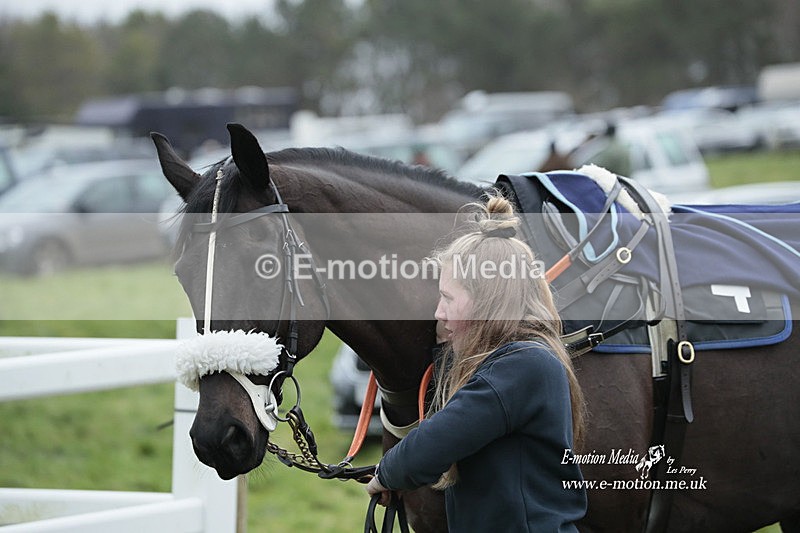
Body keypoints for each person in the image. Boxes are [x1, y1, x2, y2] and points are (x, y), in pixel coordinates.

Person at [366, 193, 588, 532]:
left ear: (488, 301)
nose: (439, 313)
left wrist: (385, 475)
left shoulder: (524, 365)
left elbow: (434, 443)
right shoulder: (517, 360)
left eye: (448, 298)